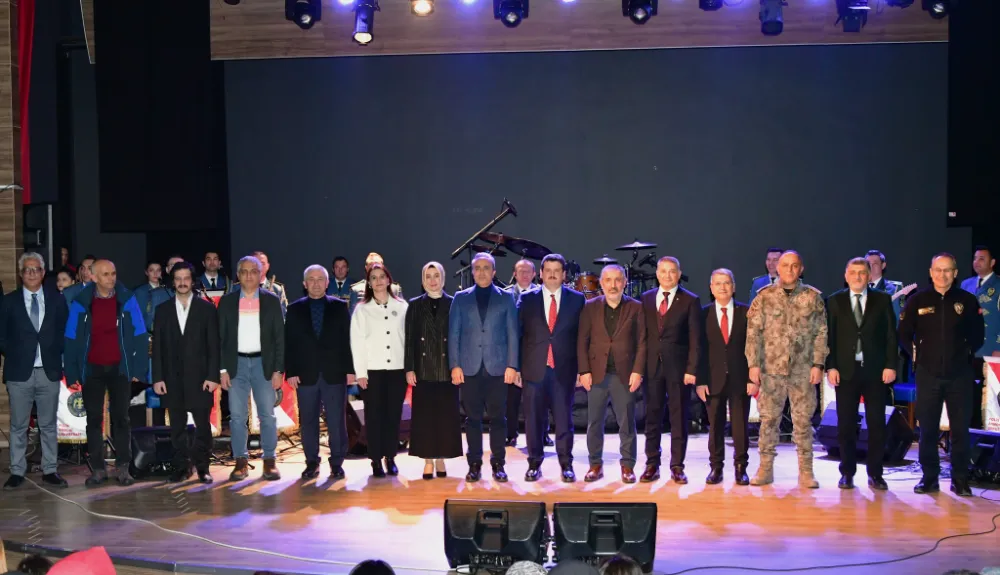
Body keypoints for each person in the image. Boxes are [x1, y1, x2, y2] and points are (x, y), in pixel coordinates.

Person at [899, 252, 984, 497]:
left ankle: (960, 479)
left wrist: (964, 354)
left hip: (960, 376)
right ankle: (929, 478)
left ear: (955, 273)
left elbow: (978, 336)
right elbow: (903, 333)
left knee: (960, 430)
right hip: (928, 374)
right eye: (938, 269)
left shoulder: (967, 301)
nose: (942, 274)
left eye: (947, 270)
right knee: (927, 429)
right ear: (931, 272)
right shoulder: (917, 300)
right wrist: (916, 354)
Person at [745, 251, 828, 488]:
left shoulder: (812, 297)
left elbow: (821, 333)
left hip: (802, 370)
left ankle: (806, 471)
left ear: (801, 269)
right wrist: (753, 364)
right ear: (777, 268)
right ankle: (765, 468)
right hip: (771, 369)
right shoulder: (764, 296)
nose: (790, 270)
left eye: (794, 266)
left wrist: (818, 364)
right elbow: (753, 334)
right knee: (769, 421)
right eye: (785, 265)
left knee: (803, 422)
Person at [64, 259, 148, 487]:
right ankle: (98, 470)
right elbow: (70, 338)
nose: (111, 278)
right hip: (92, 370)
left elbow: (140, 334)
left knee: (122, 419)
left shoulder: (127, 299)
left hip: (120, 369)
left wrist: (138, 369)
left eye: (113, 273)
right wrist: (72, 372)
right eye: (105, 274)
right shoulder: (81, 302)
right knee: (93, 420)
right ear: (93, 277)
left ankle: (123, 468)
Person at [825, 257, 897, 491]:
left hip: (875, 372)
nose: (857, 277)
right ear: (846, 276)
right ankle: (847, 473)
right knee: (846, 425)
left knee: (876, 425)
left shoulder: (882, 300)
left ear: (869, 276)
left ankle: (875, 474)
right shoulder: (834, 301)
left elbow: (890, 335)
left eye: (862, 272)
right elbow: (829, 337)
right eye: (853, 272)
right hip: (845, 371)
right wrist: (830, 366)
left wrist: (891, 365)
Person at [1, 253, 69, 490]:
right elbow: (2, 336)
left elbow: (64, 330)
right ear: (21, 274)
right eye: (27, 270)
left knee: (48, 425)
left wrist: (55, 350)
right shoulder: (8, 302)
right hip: (19, 372)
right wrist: (16, 352)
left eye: (36, 269)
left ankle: (50, 470)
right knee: (19, 426)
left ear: (43, 273)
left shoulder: (56, 299)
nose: (32, 273)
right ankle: (17, 472)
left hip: (48, 371)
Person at [449, 252, 519, 482]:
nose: (481, 272)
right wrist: (454, 365)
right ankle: (474, 463)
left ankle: (498, 463)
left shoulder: (506, 297)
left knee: (499, 419)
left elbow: (512, 333)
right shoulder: (460, 298)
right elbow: (454, 334)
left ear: (494, 272)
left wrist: (512, 365)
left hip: (498, 369)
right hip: (469, 369)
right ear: (472, 272)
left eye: (486, 268)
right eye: (477, 268)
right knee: (472, 420)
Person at [516, 254, 585, 482]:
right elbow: (517, 335)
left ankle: (566, 464)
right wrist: (515, 367)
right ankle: (534, 463)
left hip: (564, 370)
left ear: (564, 275)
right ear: (541, 273)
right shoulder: (527, 299)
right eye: (548, 270)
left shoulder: (577, 300)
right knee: (533, 421)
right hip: (534, 369)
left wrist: (582, 369)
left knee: (564, 421)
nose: (552, 274)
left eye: (557, 271)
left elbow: (582, 338)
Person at [151, 262, 220, 484]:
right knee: (177, 427)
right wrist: (158, 378)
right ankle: (182, 467)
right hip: (172, 379)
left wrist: (213, 376)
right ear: (173, 282)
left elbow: (214, 346)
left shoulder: (207, 309)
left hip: (201, 379)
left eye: (186, 278)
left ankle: (203, 468)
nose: (182, 282)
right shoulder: (162, 310)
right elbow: (157, 348)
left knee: (202, 427)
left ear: (192, 280)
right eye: (178, 278)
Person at [285, 265, 355, 480]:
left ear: (327, 283)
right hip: (305, 375)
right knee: (308, 422)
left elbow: (347, 341)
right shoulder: (294, 309)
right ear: (304, 284)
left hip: (334, 373)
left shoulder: (340, 307)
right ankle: (311, 462)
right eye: (311, 279)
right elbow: (289, 343)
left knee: (336, 422)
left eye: (320, 279)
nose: (316, 283)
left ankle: (337, 463)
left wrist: (350, 370)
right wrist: (291, 371)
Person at [219, 255, 285, 481]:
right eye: (244, 271)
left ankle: (269, 460)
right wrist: (222, 370)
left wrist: (278, 370)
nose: (249, 275)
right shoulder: (227, 302)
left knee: (267, 415)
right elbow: (220, 339)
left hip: (263, 365)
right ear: (238, 275)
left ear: (260, 274)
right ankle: (240, 461)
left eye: (253, 271)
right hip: (235, 365)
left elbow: (279, 338)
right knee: (237, 417)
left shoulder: (271, 301)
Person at [578, 265, 646, 484]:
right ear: (601, 283)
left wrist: (638, 371)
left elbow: (642, 343)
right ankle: (595, 464)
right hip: (596, 374)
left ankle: (627, 465)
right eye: (608, 280)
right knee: (594, 423)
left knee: (627, 424)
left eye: (618, 280)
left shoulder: (636, 307)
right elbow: (582, 341)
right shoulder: (590, 307)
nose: (613, 285)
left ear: (625, 282)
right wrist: (584, 370)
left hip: (624, 375)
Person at [640, 256, 702, 484]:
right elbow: (642, 336)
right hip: (652, 367)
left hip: (679, 370)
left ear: (679, 274)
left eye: (672, 271)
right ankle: (651, 463)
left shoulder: (690, 300)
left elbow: (696, 340)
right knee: (652, 416)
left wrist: (691, 369)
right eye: (663, 271)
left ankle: (677, 465)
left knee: (679, 417)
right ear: (657, 274)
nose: (667, 275)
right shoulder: (646, 298)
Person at [405, 261, 462, 479]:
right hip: (423, 370)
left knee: (446, 417)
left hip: (447, 370)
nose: (432, 280)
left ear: (443, 278)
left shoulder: (453, 303)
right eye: (428, 276)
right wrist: (409, 368)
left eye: (436, 275)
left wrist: (458, 365)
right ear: (423, 280)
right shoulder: (415, 305)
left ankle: (441, 459)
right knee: (425, 418)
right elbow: (410, 340)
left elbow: (458, 337)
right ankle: (428, 460)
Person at [696, 269, 752, 486]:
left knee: (740, 426)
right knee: (715, 426)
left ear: (733, 287)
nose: (722, 287)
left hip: (741, 378)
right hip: (712, 379)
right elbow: (699, 350)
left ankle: (741, 467)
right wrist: (700, 381)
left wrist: (753, 378)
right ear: (711, 288)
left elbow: (754, 347)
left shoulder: (746, 312)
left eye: (727, 283)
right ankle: (716, 467)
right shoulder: (702, 314)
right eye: (718, 283)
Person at [351, 263, 408, 477]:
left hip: (397, 370)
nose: (378, 281)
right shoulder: (362, 310)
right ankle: (375, 459)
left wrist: (409, 368)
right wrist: (361, 373)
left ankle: (390, 457)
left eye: (381, 276)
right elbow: (357, 342)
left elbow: (408, 339)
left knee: (393, 416)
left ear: (388, 279)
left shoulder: (402, 306)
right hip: (372, 372)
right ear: (369, 283)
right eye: (373, 278)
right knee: (374, 417)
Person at [504, 258, 540, 447]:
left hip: (535, 353)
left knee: (538, 399)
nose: (525, 274)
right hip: (511, 353)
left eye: (528, 271)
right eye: (521, 271)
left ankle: (541, 434)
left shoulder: (542, 294)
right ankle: (510, 433)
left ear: (534, 274)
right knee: (511, 399)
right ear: (514, 274)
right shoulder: (505, 295)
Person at [960, 246, 999, 376]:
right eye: (975, 258)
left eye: (981, 259)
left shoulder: (998, 285)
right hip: (968, 349)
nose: (977, 262)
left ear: (992, 262)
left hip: (991, 348)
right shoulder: (966, 284)